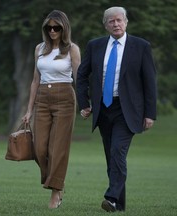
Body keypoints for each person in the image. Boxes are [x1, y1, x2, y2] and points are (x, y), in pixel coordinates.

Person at [76, 6, 157, 212]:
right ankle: (119, 204)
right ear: (105, 25)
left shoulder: (141, 46)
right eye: (111, 21)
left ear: (126, 22)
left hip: (127, 110)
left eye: (119, 20)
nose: (116, 24)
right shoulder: (95, 46)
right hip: (103, 109)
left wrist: (150, 114)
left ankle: (111, 198)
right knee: (111, 157)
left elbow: (150, 82)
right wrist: (84, 103)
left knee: (117, 151)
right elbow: (82, 75)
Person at [22, 10, 81, 209]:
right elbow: (35, 80)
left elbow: (78, 78)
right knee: (39, 148)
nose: (53, 30)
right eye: (49, 27)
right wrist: (29, 110)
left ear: (64, 28)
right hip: (42, 98)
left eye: (57, 27)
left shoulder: (72, 49)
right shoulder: (39, 48)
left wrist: (85, 104)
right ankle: (57, 181)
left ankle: (56, 192)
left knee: (57, 149)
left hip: (65, 97)